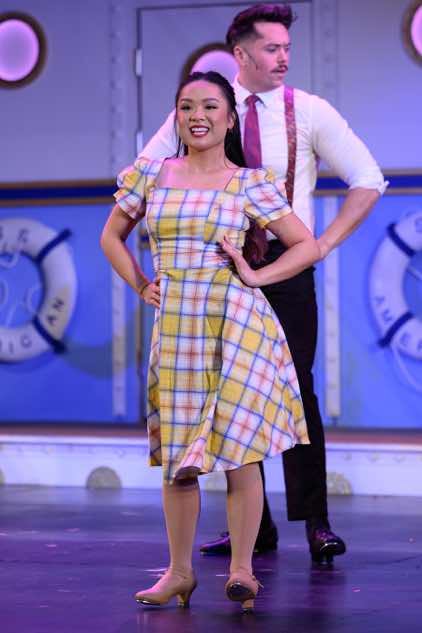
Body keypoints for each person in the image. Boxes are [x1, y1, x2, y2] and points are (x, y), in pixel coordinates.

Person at [140, 3, 387, 566]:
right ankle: (254, 528)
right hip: (215, 267)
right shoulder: (208, 106)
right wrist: (159, 257)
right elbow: (147, 173)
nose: (283, 58)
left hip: (281, 262)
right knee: (223, 392)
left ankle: (316, 521)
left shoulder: (308, 110)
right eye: (272, 48)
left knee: (297, 388)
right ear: (242, 53)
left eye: (287, 48)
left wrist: (320, 244)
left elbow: (368, 179)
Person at [101, 70, 319, 611]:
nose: (197, 116)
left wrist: (256, 275)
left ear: (229, 118)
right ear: (177, 116)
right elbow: (111, 236)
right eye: (186, 106)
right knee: (180, 457)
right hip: (177, 324)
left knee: (241, 451)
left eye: (210, 106)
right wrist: (142, 284)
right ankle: (179, 572)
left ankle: (242, 571)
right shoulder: (152, 174)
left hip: (237, 322)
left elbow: (306, 246)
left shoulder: (250, 182)